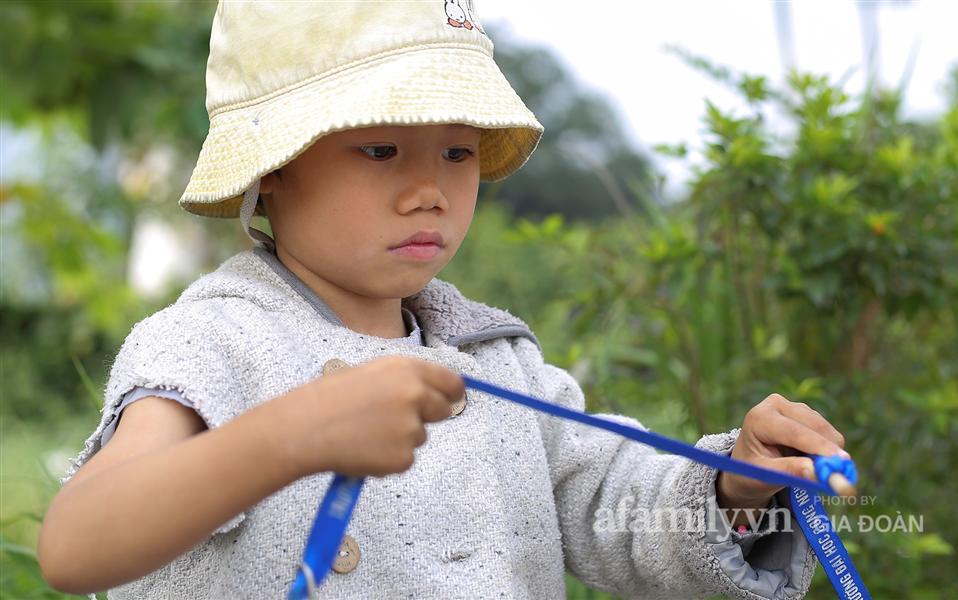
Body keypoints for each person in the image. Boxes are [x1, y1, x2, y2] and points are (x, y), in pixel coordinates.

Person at [38, 1, 849, 598]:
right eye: (381, 147)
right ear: (272, 168)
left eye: (459, 150)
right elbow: (77, 545)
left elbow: (617, 501)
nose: (429, 189)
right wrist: (290, 436)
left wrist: (732, 486)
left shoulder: (494, 356)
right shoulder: (204, 343)